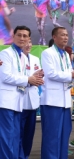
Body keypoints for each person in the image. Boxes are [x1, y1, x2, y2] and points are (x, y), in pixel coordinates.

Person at [0, 26, 44, 158]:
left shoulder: (22, 57)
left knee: (14, 137)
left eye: (25, 36)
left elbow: (23, 78)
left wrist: (33, 78)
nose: (22, 38)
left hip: (18, 101)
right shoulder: (5, 54)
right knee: (7, 137)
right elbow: (6, 76)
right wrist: (29, 79)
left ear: (29, 39)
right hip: (6, 101)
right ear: (13, 37)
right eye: (19, 35)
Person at [40, 27, 74, 158]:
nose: (65, 37)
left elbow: (68, 71)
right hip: (52, 101)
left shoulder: (65, 54)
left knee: (64, 134)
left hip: (64, 100)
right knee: (52, 135)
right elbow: (51, 74)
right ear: (54, 37)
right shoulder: (47, 53)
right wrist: (71, 75)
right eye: (62, 35)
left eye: (66, 35)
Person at [19, 38, 43, 159]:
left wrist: (38, 78)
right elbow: (16, 78)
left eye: (30, 42)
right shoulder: (15, 58)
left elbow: (37, 76)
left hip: (32, 102)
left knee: (29, 133)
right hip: (19, 101)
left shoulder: (35, 59)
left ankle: (26, 155)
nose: (28, 45)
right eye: (26, 42)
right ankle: (19, 155)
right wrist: (30, 79)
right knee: (19, 133)